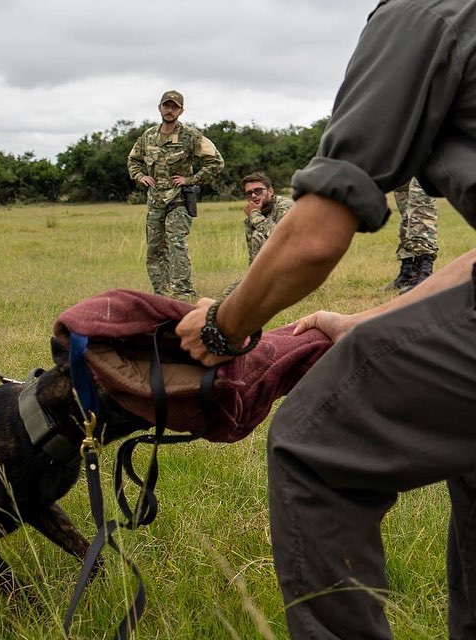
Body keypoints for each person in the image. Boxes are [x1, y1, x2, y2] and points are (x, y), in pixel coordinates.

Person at [176, 1, 476, 636]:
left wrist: (223, 326)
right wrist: (375, 320)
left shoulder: (424, 12)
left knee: (314, 446)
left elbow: (316, 233)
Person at [127, 90, 224, 299]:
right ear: (160, 108)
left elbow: (216, 161)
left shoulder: (190, 136)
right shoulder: (148, 136)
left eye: (174, 107)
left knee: (176, 243)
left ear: (181, 110)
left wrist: (191, 180)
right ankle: (161, 293)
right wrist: (140, 176)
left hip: (178, 199)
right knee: (154, 248)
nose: (169, 110)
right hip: (155, 201)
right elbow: (133, 160)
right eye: (166, 106)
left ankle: (183, 292)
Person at [388, 177, 439, 292]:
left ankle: (424, 271)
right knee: (406, 207)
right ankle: (409, 271)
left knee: (421, 205)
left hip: (425, 160)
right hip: (406, 159)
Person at [241, 172, 293, 265]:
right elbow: (253, 255)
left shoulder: (285, 206)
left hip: (297, 261)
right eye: (249, 193)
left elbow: (279, 238)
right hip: (274, 267)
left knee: (258, 235)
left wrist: (254, 214)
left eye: (258, 190)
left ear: (270, 191)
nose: (253, 196)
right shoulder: (254, 213)